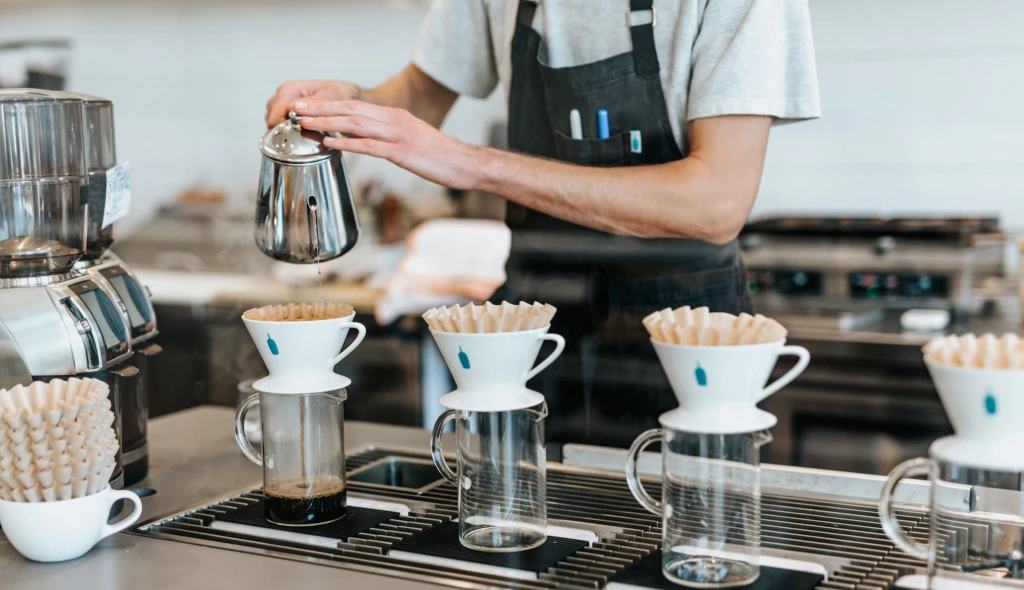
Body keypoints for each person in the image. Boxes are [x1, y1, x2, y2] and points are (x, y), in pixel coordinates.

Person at [266, 0, 820, 446]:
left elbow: (715, 205)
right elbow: (421, 93)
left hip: (685, 338)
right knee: (521, 531)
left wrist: (471, 163)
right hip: (534, 328)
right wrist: (352, 102)